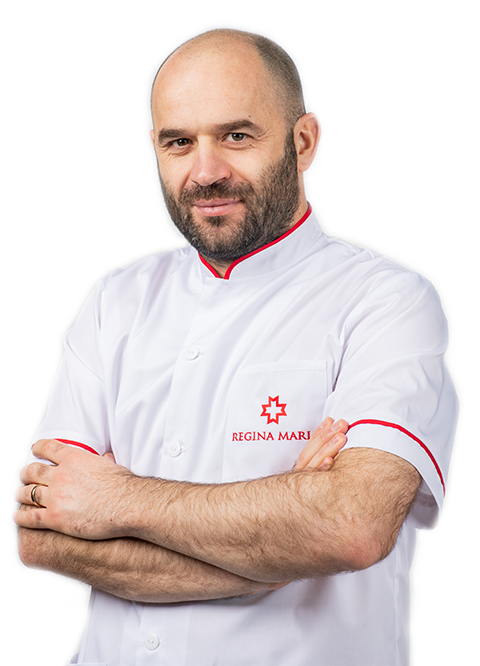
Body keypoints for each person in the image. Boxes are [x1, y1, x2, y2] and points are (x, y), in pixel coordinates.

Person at [12, 28, 458, 666]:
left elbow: (351, 525)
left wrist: (113, 499)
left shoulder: (386, 302)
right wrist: (273, 555)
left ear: (303, 142)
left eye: (237, 136)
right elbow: (41, 537)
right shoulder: (115, 302)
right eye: (179, 142)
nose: (205, 172)